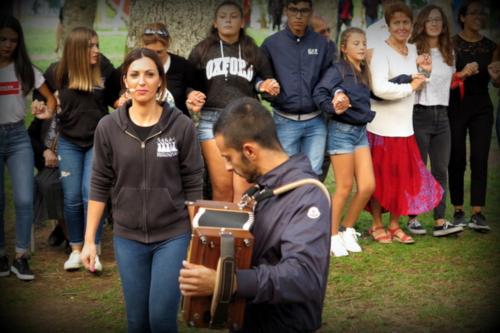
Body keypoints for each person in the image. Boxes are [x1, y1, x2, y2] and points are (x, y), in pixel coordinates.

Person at [179, 97, 331, 333]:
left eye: (228, 157)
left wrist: (225, 281)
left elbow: (304, 277)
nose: (228, 167)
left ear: (249, 150)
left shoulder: (308, 196)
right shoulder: (259, 190)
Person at [81, 48, 204, 333]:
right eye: (134, 75)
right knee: (137, 323)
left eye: (150, 74)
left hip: (172, 235)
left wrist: (196, 238)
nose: (142, 82)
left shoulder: (181, 126)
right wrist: (89, 240)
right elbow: (99, 183)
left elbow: (193, 183)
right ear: (125, 80)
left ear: (160, 80)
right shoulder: (108, 127)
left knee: (161, 321)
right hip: (127, 236)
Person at [43, 27, 120, 272]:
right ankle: (76, 250)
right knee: (73, 198)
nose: (97, 51)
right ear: (77, 50)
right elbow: (45, 101)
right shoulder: (57, 72)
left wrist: (122, 102)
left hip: (97, 141)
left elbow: (113, 100)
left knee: (92, 195)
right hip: (69, 142)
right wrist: (43, 107)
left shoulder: (105, 68)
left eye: (97, 45)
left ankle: (93, 249)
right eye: (91, 46)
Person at [187, 0, 280, 202]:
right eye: (223, 16)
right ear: (214, 22)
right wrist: (191, 95)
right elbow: (188, 84)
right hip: (211, 120)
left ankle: (242, 233)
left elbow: (266, 84)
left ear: (242, 22)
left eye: (233, 16)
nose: (228, 20)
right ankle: (222, 233)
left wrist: (267, 86)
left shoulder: (253, 50)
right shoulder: (202, 50)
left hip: (244, 120)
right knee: (221, 187)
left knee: (243, 188)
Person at [367, 3, 443, 244]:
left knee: (401, 178)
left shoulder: (413, 51)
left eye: (406, 22)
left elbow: (418, 83)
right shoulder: (380, 50)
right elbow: (378, 88)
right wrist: (409, 86)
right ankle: (377, 224)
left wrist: (425, 74)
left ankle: (394, 226)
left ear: (412, 25)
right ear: (388, 25)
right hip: (381, 126)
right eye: (397, 22)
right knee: (380, 178)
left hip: (404, 126)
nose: (402, 27)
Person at [0, 15, 56, 280]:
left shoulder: (25, 69)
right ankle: (1, 255)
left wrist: (46, 112)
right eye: (3, 39)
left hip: (18, 137)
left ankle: (21, 257)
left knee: (24, 198)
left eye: (13, 40)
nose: (8, 44)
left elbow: (50, 99)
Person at [314, 27, 375, 257]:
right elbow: (319, 92)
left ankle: (347, 228)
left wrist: (406, 79)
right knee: (345, 187)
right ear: (343, 47)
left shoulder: (362, 70)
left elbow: (376, 92)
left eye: (363, 43)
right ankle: (331, 236)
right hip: (341, 131)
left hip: (360, 132)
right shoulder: (337, 70)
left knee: (368, 186)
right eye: (356, 43)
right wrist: (333, 107)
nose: (361, 46)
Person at [404, 5, 464, 237]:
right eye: (430, 19)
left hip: (443, 116)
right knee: (418, 168)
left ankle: (440, 220)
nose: (434, 23)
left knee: (440, 170)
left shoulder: (450, 51)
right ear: (422, 23)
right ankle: (413, 218)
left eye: (438, 19)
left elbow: (448, 82)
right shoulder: (412, 50)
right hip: (419, 114)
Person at [261, 0, 334, 178]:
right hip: (284, 120)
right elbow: (260, 78)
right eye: (294, 10)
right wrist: (268, 90)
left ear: (310, 12)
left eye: (303, 11)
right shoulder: (271, 44)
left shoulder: (322, 44)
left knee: (313, 174)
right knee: (286, 174)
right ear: (286, 10)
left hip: (316, 121)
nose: (299, 16)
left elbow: (332, 77)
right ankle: (288, 207)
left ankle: (309, 207)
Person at [448, 0, 497, 231]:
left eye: (482, 13)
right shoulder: (451, 44)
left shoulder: (492, 46)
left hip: (482, 108)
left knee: (479, 158)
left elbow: (497, 81)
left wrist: (496, 77)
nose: (479, 16)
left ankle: (478, 212)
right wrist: (462, 75)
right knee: (456, 158)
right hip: (456, 106)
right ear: (462, 17)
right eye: (474, 13)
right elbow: (445, 79)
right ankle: (458, 210)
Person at [115, 22, 198, 118]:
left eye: (159, 52)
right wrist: (119, 103)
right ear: (142, 45)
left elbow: (195, 87)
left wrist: (191, 94)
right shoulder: (132, 66)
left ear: (167, 45)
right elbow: (110, 90)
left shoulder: (182, 66)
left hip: (176, 127)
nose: (154, 57)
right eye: (149, 52)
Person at [310, 14, 338, 183]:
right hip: (307, 113)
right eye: (322, 32)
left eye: (328, 30)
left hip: (327, 110)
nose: (327, 34)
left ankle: (316, 192)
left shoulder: (331, 49)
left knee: (325, 155)